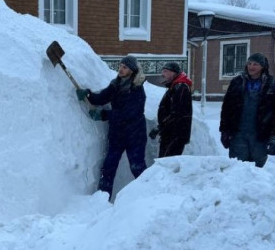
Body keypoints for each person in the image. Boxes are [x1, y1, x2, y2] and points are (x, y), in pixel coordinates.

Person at [77, 55, 147, 199]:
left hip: (135, 135)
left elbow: (128, 114)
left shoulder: (137, 90)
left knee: (137, 168)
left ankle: (147, 198)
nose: (121, 69)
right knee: (108, 167)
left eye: (125, 67)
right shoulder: (116, 84)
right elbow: (102, 97)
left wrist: (103, 115)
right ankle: (102, 199)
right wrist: (88, 94)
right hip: (117, 135)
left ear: (132, 70)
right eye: (120, 66)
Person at [218, 52, 275, 168]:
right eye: (249, 63)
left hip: (260, 135)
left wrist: (274, 138)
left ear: (263, 67)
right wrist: (224, 130)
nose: (251, 67)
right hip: (238, 133)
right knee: (237, 167)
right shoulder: (237, 82)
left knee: (256, 171)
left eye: (255, 64)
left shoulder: (272, 85)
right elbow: (227, 108)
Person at [149, 62, 192, 157]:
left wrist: (159, 128)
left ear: (174, 73)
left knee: (167, 165)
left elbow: (177, 113)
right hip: (170, 134)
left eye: (165, 71)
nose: (162, 74)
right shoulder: (175, 87)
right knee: (166, 165)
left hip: (175, 135)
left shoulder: (180, 87)